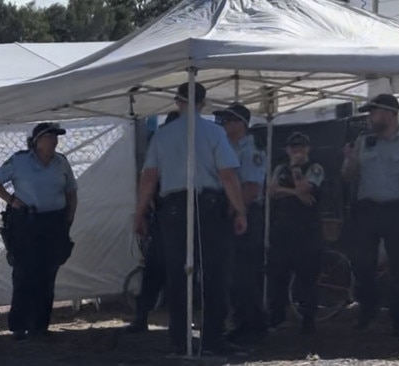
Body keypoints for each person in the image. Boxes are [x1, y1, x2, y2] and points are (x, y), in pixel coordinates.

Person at [134, 82, 247, 355]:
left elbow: (149, 177)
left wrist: (139, 214)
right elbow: (228, 175)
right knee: (213, 274)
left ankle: (179, 341)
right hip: (208, 206)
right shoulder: (214, 132)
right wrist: (240, 209)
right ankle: (212, 339)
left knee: (177, 274)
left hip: (172, 207)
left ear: (177, 102)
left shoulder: (162, 135)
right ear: (203, 104)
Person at [342, 94, 399, 337]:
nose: (370, 118)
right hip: (368, 210)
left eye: (375, 112)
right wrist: (349, 160)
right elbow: (349, 176)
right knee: (362, 264)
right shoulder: (363, 142)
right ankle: (367, 308)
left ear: (390, 114)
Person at [0, 122, 78, 341]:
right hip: (27, 223)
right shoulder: (19, 161)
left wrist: (68, 219)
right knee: (24, 274)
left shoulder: (61, 162)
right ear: (37, 140)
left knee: (48, 274)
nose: (55, 140)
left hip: (54, 223)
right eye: (50, 136)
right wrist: (11, 200)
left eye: (56, 137)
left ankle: (40, 325)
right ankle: (19, 325)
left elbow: (71, 192)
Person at [214, 103, 268, 343]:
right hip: (233, 213)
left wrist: (237, 210)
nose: (224, 125)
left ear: (241, 124)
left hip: (246, 213)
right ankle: (242, 320)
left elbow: (251, 187)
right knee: (233, 272)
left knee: (244, 271)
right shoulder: (229, 147)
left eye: (228, 120)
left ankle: (252, 323)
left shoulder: (251, 149)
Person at [125, 110, 180, 333]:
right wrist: (144, 214)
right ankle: (142, 316)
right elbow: (148, 182)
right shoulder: (162, 149)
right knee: (155, 270)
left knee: (172, 272)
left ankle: (173, 321)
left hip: (179, 217)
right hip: (162, 217)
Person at [267, 131, 325, 334]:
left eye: (300, 146)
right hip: (282, 229)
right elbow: (271, 191)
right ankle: (276, 317)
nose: (296, 150)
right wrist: (292, 192)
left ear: (308, 148)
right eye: (293, 147)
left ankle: (308, 319)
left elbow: (305, 188)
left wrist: (295, 170)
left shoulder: (315, 168)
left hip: (307, 231)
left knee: (307, 277)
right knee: (277, 275)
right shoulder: (280, 168)